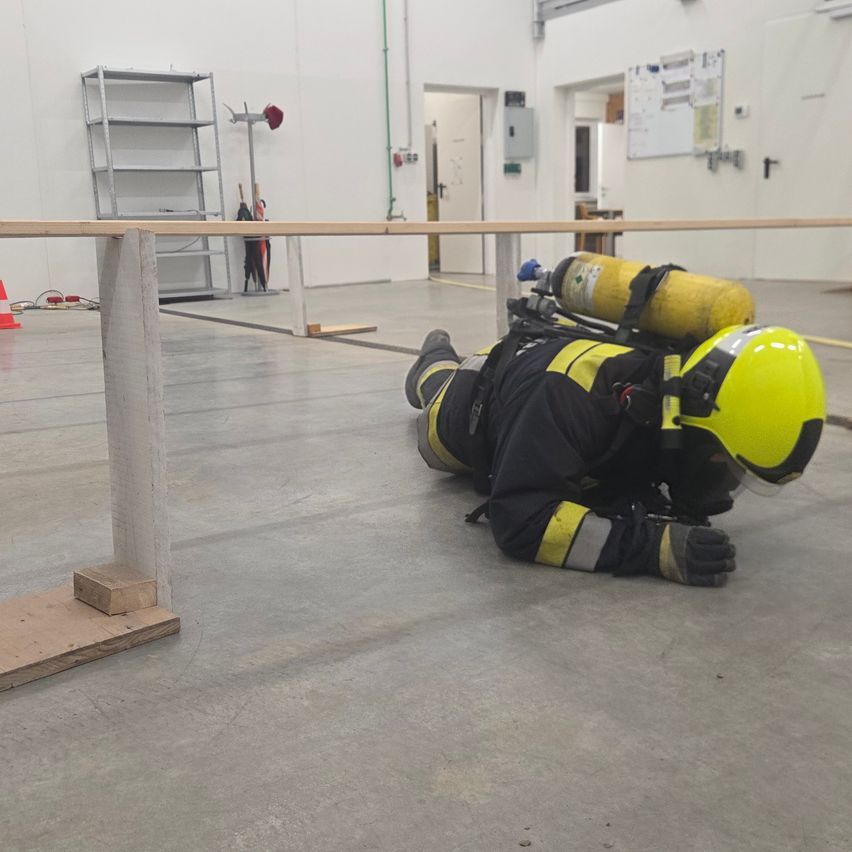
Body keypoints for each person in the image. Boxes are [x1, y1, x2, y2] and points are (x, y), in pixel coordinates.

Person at [404, 302, 825, 587]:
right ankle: (433, 355)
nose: (725, 487)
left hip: (531, 378)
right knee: (436, 388)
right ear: (693, 428)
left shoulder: (663, 395)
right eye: (724, 466)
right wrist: (653, 548)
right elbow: (521, 519)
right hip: (471, 401)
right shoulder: (568, 398)